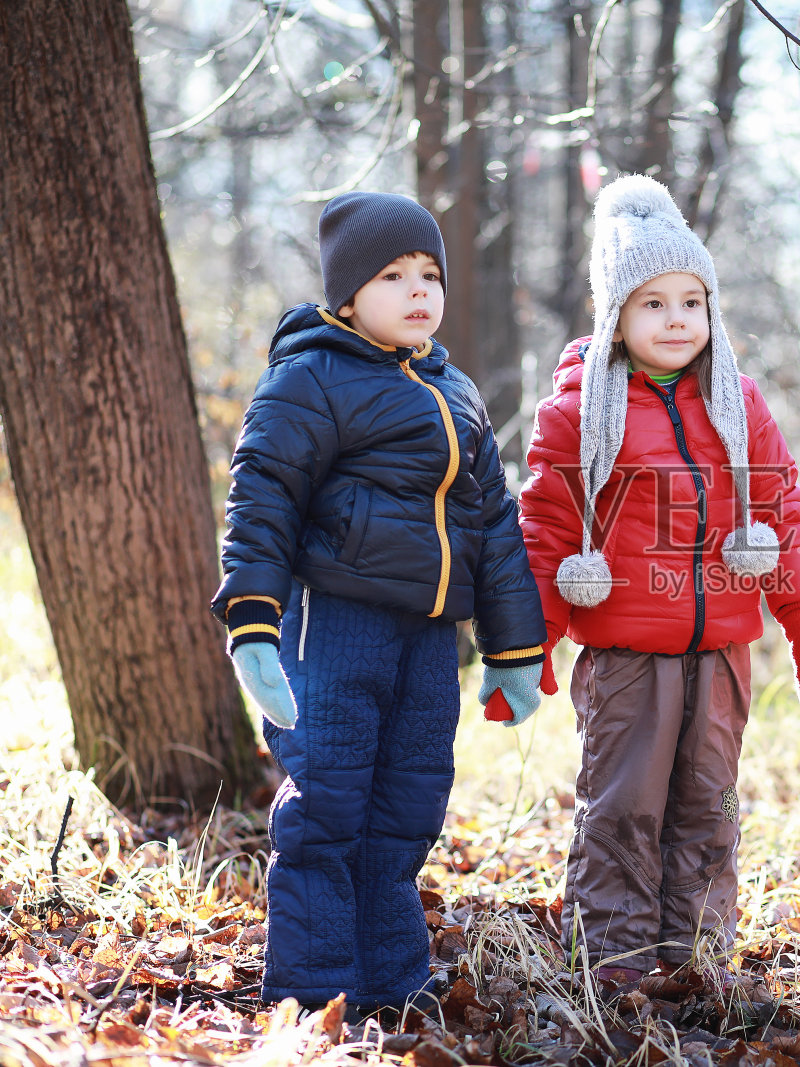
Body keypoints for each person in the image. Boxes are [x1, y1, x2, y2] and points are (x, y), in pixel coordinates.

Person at [210, 191, 547, 1016]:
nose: (418, 289)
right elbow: (264, 498)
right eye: (393, 274)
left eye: (429, 273)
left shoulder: (455, 389)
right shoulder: (310, 376)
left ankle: (394, 985)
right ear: (348, 294)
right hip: (335, 625)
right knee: (327, 801)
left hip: (429, 638)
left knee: (407, 805)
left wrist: (514, 648)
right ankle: (317, 992)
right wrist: (252, 619)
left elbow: (494, 525)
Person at [518, 174, 800, 993]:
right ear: (615, 315)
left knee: (707, 804)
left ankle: (697, 961)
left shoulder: (738, 403)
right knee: (624, 806)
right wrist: (530, 642)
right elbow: (549, 529)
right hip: (628, 653)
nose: (676, 320)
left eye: (691, 302)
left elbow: (782, 504)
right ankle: (613, 968)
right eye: (653, 303)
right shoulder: (579, 412)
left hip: (724, 649)